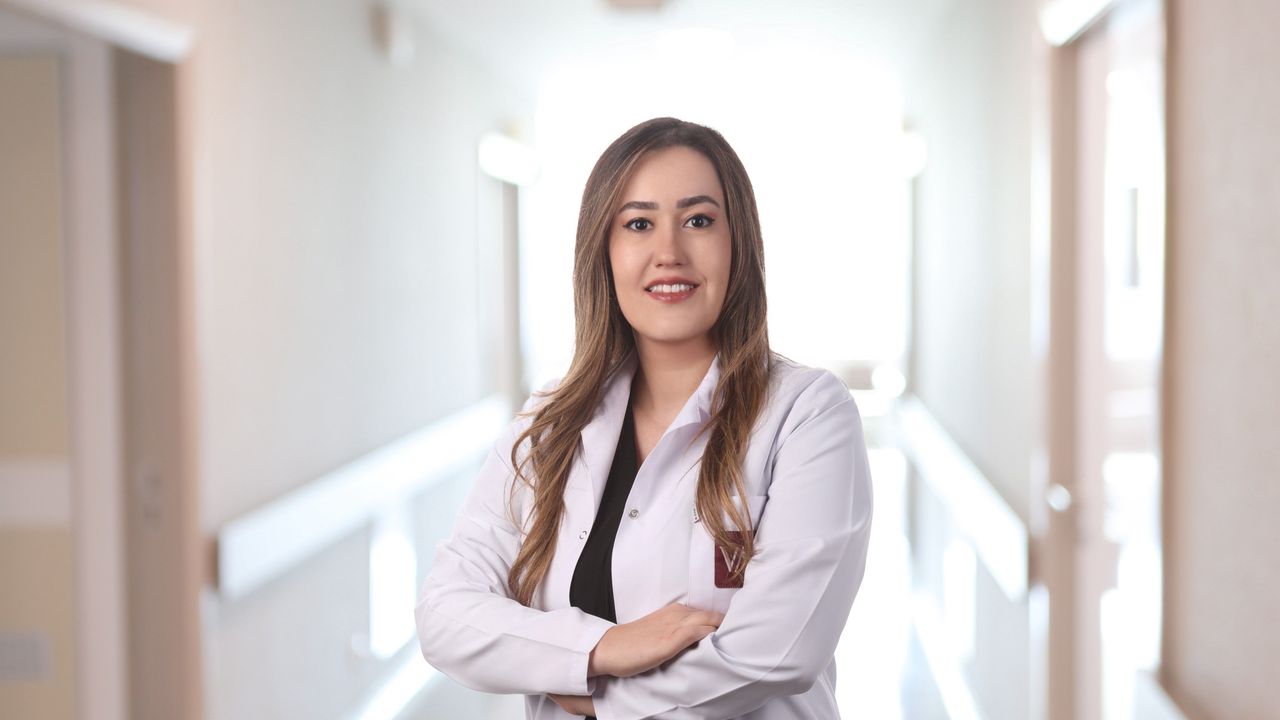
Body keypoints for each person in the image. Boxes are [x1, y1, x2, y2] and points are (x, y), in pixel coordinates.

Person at [415, 116, 873, 719]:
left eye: (699, 221)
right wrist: (602, 648)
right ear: (603, 252)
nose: (669, 253)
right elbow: (446, 613)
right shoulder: (549, 425)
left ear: (739, 243)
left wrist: (594, 695)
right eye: (638, 224)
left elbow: (776, 654)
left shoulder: (807, 415)